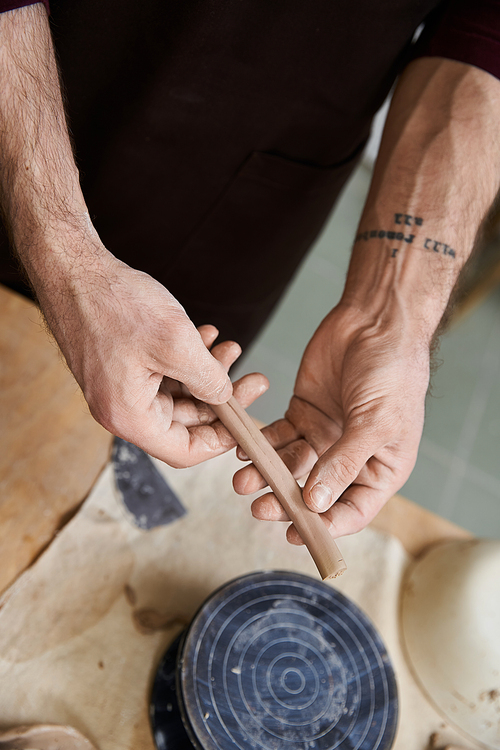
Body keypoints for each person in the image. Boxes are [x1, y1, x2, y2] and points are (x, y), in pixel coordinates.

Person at [1, 0, 500, 545]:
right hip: (30, 76)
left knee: (124, 420)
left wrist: (388, 318)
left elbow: (484, 31)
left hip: (253, 185)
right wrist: (65, 251)